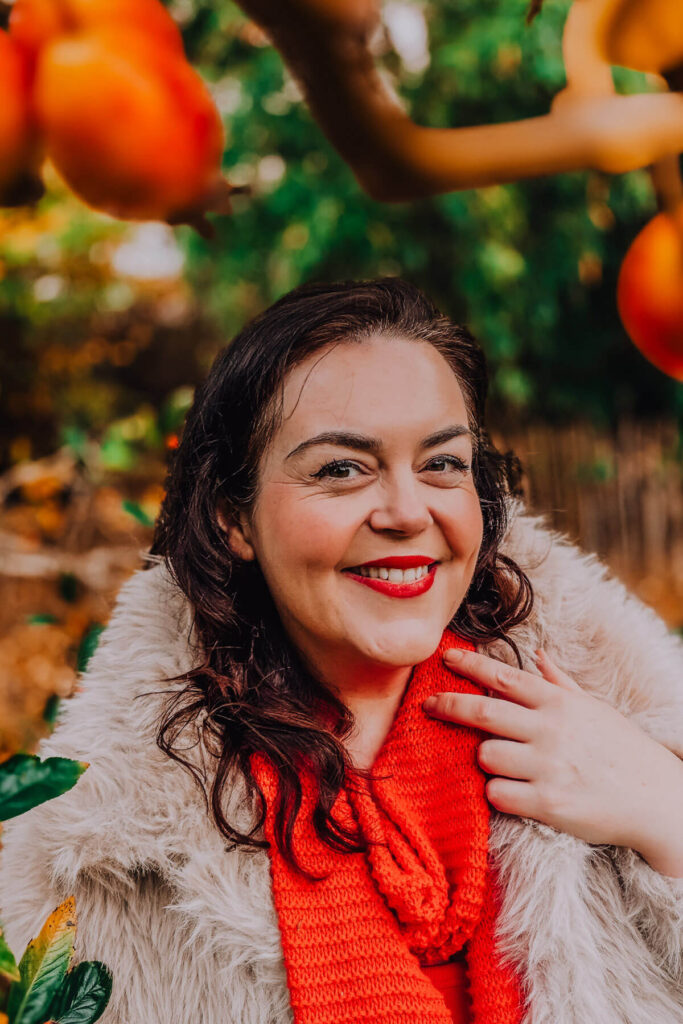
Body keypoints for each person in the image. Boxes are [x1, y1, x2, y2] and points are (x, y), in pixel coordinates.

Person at [1, 278, 682, 1024]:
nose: (405, 511)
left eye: (441, 463)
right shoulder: (104, 863)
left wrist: (662, 808)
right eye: (340, 469)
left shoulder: (621, 717)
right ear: (235, 517)